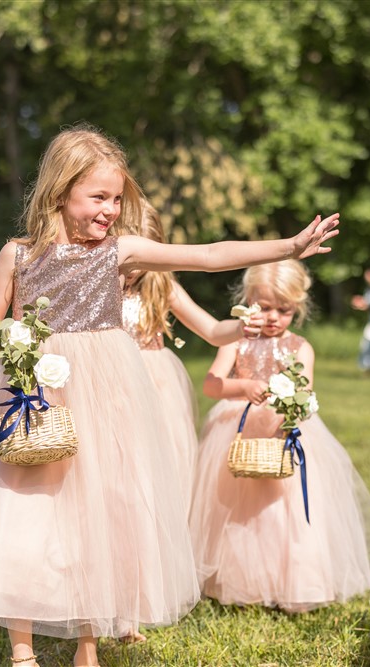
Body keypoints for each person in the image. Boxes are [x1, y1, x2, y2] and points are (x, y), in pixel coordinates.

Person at [0, 125, 341, 667]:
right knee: (16, 516)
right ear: (59, 192)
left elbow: (208, 254)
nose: (111, 210)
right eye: (98, 197)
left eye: (116, 198)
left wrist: (288, 246)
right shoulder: (17, 255)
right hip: (38, 394)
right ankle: (22, 651)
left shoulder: (120, 253)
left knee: (97, 513)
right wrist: (13, 339)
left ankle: (87, 647)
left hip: (103, 398)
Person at [189, 260, 370, 613]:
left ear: (297, 308)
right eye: (264, 308)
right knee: (240, 509)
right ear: (247, 302)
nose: (272, 318)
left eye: (283, 310)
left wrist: (290, 413)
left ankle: (295, 579)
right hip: (239, 428)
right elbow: (211, 384)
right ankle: (243, 581)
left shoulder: (300, 347)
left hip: (284, 428)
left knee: (286, 509)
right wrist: (243, 385)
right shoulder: (237, 341)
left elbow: (306, 392)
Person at [121, 202, 265, 507]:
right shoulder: (96, 283)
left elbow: (211, 330)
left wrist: (241, 328)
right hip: (111, 379)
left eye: (143, 261)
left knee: (157, 461)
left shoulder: (162, 285)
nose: (134, 270)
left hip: (155, 386)